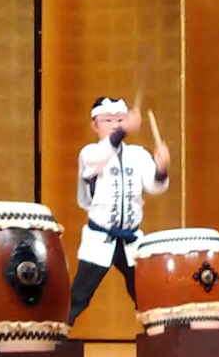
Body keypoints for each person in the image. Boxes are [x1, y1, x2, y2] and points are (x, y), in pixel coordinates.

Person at [66, 96, 171, 328]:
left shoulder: (138, 155)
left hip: (132, 240)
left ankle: (160, 336)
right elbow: (101, 156)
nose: (115, 124)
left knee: (145, 294)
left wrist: (162, 167)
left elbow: (155, 187)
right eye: (108, 120)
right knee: (79, 296)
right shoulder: (90, 153)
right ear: (94, 125)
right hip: (100, 238)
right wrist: (124, 129)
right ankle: (55, 337)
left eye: (120, 119)